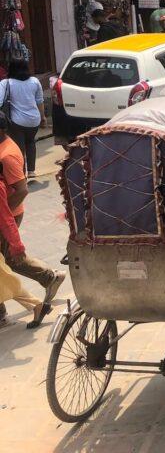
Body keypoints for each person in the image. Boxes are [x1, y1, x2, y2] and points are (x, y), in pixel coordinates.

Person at [0, 111, 63, 327]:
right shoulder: (4, 146)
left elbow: (22, 190)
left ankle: (48, 279)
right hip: (5, 213)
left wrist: (5, 213)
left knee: (8, 263)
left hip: (7, 214)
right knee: (4, 264)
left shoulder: (6, 156)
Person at [0, 60, 44, 178]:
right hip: (34, 119)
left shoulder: (6, 83)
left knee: (19, 147)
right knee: (30, 142)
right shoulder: (35, 81)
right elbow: (40, 101)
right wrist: (42, 117)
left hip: (16, 121)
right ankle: (31, 171)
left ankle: (20, 174)